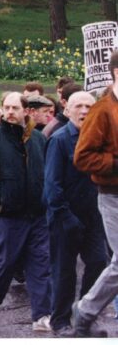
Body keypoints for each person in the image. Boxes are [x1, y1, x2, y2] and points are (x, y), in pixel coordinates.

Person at [0, 92, 51, 332]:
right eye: (7, 107)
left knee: (40, 265)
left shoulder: (38, 139)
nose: (10, 112)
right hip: (9, 216)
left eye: (15, 108)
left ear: (26, 111)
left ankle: (41, 315)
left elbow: (47, 172)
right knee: (4, 264)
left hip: (37, 216)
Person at [45, 91, 108, 336]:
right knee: (63, 270)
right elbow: (51, 185)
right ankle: (59, 321)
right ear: (67, 110)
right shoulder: (59, 140)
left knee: (97, 263)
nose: (84, 111)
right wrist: (65, 216)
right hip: (64, 217)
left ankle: (83, 314)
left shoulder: (100, 139)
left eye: (89, 106)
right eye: (78, 106)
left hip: (94, 216)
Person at [72, 50, 118, 338]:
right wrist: (115, 163)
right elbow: (82, 157)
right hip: (112, 195)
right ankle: (86, 309)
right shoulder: (102, 110)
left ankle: (86, 310)